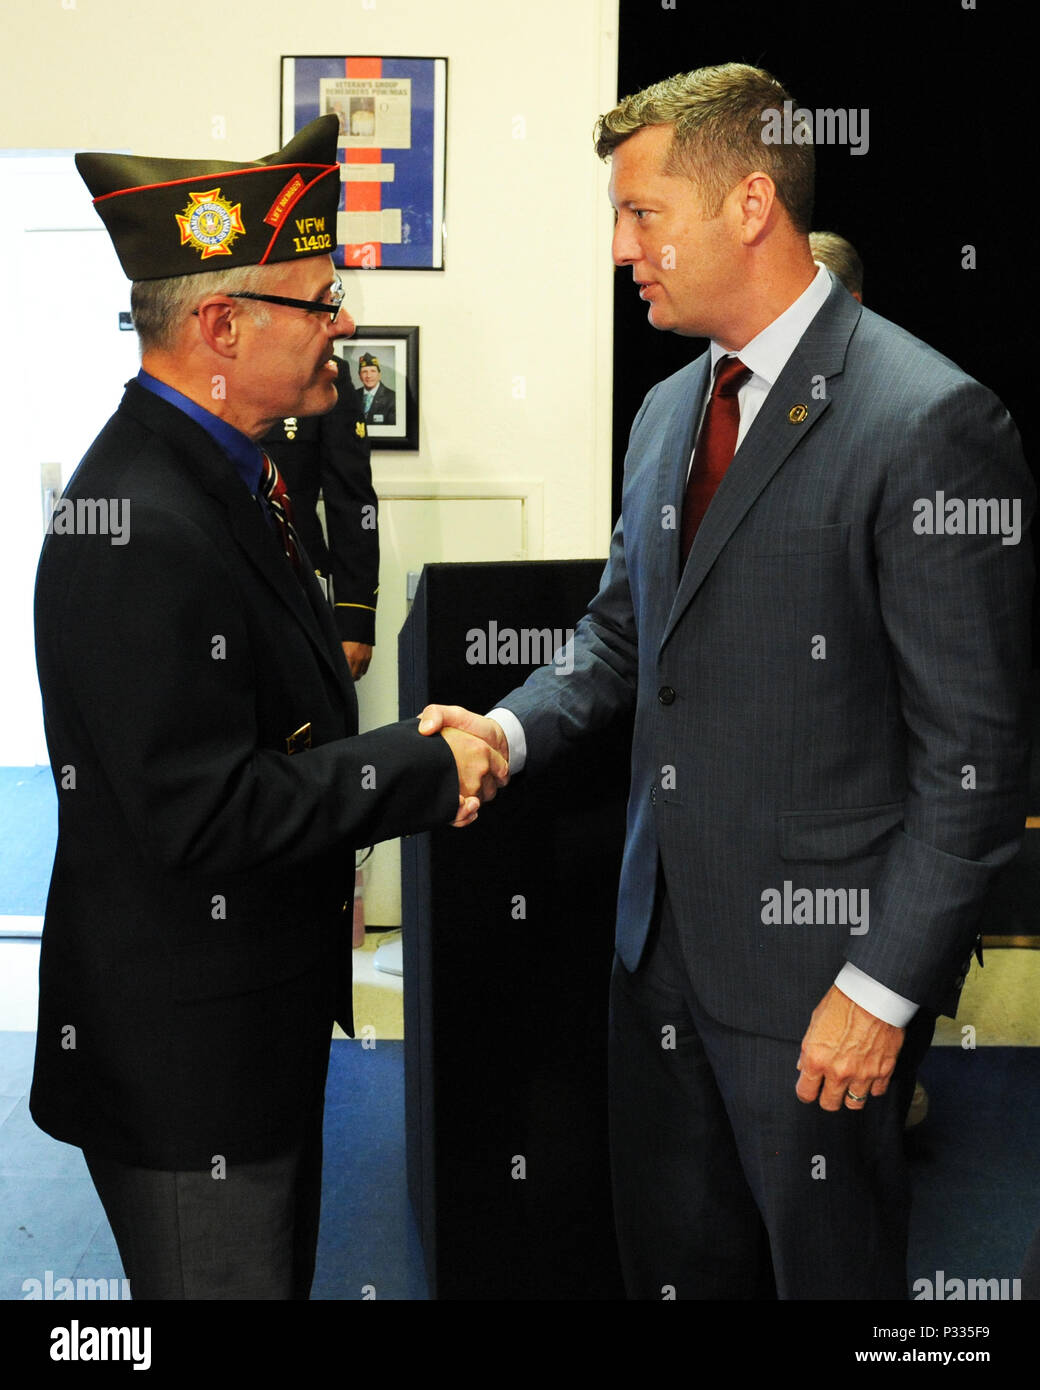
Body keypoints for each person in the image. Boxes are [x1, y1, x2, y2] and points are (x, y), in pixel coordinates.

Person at [420, 63, 1034, 1299]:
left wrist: (877, 988)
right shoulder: (663, 412)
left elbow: (973, 756)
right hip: (654, 957)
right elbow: (614, 641)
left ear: (750, 201)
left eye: (642, 215)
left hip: (821, 991)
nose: (618, 249)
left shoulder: (925, 420)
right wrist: (501, 729)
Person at [31, 115, 507, 1300]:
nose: (344, 322)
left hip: (243, 1019)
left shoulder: (230, 475)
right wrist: (415, 765)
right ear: (221, 326)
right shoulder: (145, 520)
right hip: (188, 1065)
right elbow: (201, 813)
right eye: (318, 298)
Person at [260, 380, 378, 681]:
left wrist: (355, 621)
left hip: (300, 584)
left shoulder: (323, 374)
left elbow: (353, 506)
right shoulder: (202, 366)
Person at [355, 351, 396, 425]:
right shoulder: (352, 396)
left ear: (379, 375)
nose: (368, 376)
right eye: (364, 372)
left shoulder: (392, 398)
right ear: (359, 376)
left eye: (373, 371)